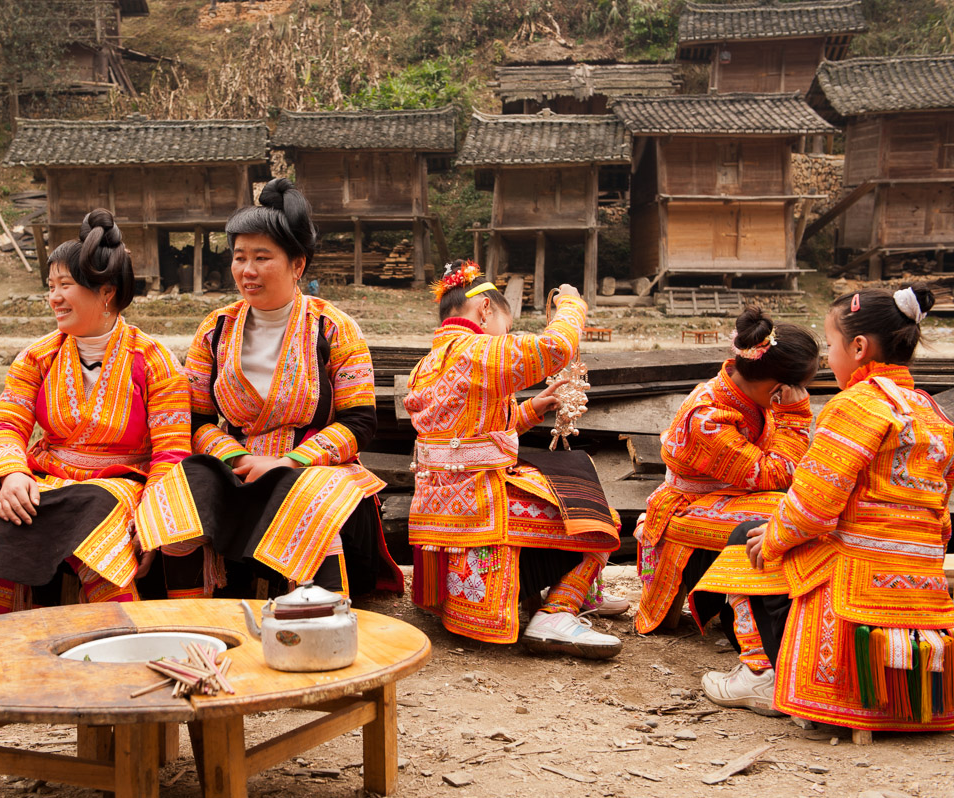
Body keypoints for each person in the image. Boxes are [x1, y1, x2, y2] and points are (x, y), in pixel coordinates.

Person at [696, 285, 954, 731]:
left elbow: (814, 506)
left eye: (831, 345)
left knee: (747, 539)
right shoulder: (932, 412)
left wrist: (774, 534)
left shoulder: (855, 405)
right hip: (920, 583)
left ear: (858, 348)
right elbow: (942, 516)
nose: (828, 359)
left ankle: (762, 674)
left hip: (856, 575)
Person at [136, 178, 401, 598]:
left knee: (304, 495)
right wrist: (241, 458)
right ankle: (190, 620)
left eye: (262, 257)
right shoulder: (215, 329)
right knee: (182, 490)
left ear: (298, 265)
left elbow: (359, 422)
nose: (247, 270)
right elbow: (198, 420)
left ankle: (325, 620)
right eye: (239, 257)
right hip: (236, 467)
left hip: (318, 469)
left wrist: (289, 462)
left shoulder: (333, 327)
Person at [0, 210, 189, 616]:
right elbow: (6, 425)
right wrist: (12, 473)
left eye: (65, 285)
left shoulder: (154, 360)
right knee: (9, 522)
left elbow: (171, 452)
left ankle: (117, 637)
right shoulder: (38, 356)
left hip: (122, 485)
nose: (54, 297)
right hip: (48, 482)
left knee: (97, 507)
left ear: (105, 292)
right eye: (50, 286)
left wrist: (154, 519)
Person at [404, 260, 622, 657]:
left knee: (571, 494)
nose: (506, 335)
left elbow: (469, 434)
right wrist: (571, 304)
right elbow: (556, 347)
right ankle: (559, 609)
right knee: (598, 519)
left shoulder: (428, 362)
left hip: (441, 505)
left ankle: (573, 593)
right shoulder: (479, 349)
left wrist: (532, 408)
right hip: (480, 500)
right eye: (506, 326)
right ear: (485, 311)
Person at [633, 308, 819, 634]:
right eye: (801, 388)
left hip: (731, 497)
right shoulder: (707, 415)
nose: (802, 396)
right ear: (779, 387)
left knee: (808, 508)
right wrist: (797, 417)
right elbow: (772, 474)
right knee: (786, 516)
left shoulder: (752, 396)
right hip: (686, 507)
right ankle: (755, 631)